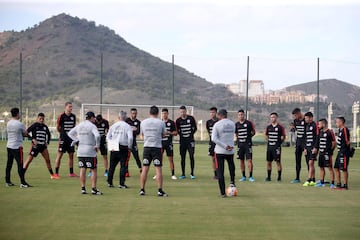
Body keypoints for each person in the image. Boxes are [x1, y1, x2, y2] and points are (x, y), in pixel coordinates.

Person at [68, 111, 102, 195]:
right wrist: (97, 145)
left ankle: (83, 188)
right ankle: (93, 189)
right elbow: (97, 136)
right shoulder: (92, 126)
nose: (95, 119)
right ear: (91, 118)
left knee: (83, 169)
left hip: (80, 149)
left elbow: (70, 133)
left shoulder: (80, 125)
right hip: (90, 149)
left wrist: (76, 140)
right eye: (94, 117)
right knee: (93, 169)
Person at [139, 106, 168, 197]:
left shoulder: (143, 122)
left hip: (147, 147)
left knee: (145, 169)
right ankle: (159, 190)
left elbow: (142, 136)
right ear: (158, 113)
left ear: (149, 112)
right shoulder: (161, 122)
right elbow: (164, 135)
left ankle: (142, 189)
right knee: (158, 169)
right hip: (156, 148)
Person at [23, 113, 58, 179]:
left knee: (48, 160)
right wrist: (32, 139)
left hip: (43, 147)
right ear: (37, 119)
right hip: (35, 146)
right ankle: (22, 174)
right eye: (40, 119)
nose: (41, 120)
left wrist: (47, 142)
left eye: (42, 119)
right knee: (29, 160)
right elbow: (25, 133)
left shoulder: (45, 126)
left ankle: (52, 175)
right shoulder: (34, 125)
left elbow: (49, 134)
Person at [211, 109, 236, 198]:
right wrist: (230, 145)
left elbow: (213, 138)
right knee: (231, 167)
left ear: (219, 115)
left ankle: (222, 193)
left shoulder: (217, 124)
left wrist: (224, 146)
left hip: (220, 151)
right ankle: (232, 183)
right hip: (230, 150)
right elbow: (234, 136)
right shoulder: (232, 124)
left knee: (220, 172)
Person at [106, 111, 133, 188]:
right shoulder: (127, 126)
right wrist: (129, 146)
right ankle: (121, 183)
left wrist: (111, 144)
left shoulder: (113, 125)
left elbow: (108, 137)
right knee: (123, 166)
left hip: (114, 145)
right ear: (126, 118)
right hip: (123, 147)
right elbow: (130, 138)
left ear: (118, 117)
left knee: (112, 166)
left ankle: (109, 182)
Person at [5, 107, 30, 188]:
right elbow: (25, 134)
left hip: (9, 146)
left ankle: (7, 181)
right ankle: (23, 183)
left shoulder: (8, 123)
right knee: (20, 165)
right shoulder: (19, 124)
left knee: (9, 165)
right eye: (19, 113)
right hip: (17, 147)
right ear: (17, 114)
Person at [54, 102, 77, 178]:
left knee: (71, 155)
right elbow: (57, 127)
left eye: (71, 107)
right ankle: (56, 173)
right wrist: (62, 134)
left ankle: (71, 173)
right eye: (69, 106)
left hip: (71, 139)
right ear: (66, 107)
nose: (71, 108)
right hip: (63, 139)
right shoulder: (61, 116)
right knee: (59, 155)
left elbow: (74, 127)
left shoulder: (73, 116)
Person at [153, 108, 178, 180]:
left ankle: (173, 174)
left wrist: (169, 133)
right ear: (161, 114)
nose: (164, 115)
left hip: (168, 143)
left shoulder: (172, 122)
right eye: (163, 113)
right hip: (160, 143)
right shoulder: (159, 122)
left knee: (170, 159)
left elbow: (176, 133)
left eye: (165, 113)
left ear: (168, 114)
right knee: (159, 159)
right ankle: (157, 174)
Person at [176, 105, 197, 179]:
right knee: (183, 157)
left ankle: (192, 173)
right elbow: (178, 130)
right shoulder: (178, 120)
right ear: (180, 112)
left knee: (191, 156)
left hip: (190, 141)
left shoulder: (191, 118)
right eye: (181, 112)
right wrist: (182, 136)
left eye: (183, 111)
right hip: (182, 141)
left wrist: (190, 135)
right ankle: (183, 174)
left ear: (186, 111)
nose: (182, 113)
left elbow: (195, 128)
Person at [235, 109, 256, 182]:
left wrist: (248, 138)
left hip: (248, 145)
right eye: (239, 115)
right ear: (238, 116)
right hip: (240, 145)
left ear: (244, 115)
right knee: (241, 160)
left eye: (242, 114)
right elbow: (236, 134)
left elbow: (253, 132)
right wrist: (237, 140)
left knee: (249, 160)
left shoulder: (249, 123)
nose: (241, 116)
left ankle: (251, 176)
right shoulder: (236, 124)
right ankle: (243, 176)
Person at [314, 118, 336, 188]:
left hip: (327, 154)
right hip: (321, 153)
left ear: (324, 124)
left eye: (319, 124)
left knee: (330, 168)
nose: (318, 126)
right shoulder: (320, 132)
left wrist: (330, 151)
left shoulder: (330, 132)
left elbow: (334, 143)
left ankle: (332, 183)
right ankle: (321, 182)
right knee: (321, 168)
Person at [265, 112, 286, 182]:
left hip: (277, 147)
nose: (272, 118)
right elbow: (266, 135)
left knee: (278, 162)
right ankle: (268, 177)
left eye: (273, 117)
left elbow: (283, 136)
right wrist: (269, 140)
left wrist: (279, 143)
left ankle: (279, 177)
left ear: (276, 118)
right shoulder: (268, 127)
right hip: (269, 147)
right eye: (271, 117)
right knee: (268, 162)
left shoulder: (280, 127)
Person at [334, 116, 351, 190]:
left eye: (337, 122)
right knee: (336, 168)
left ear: (341, 122)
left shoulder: (345, 130)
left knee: (344, 169)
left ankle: (345, 185)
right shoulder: (340, 130)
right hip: (339, 152)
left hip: (343, 153)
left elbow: (347, 141)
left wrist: (346, 150)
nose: (336, 123)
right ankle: (338, 184)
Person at [302, 112, 319, 187]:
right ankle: (313, 180)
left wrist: (315, 147)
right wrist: (305, 148)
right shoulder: (307, 126)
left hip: (313, 148)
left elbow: (318, 137)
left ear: (311, 118)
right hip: (307, 148)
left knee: (310, 163)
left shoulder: (315, 125)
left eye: (306, 118)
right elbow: (305, 138)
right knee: (310, 164)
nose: (305, 119)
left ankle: (308, 179)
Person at [125, 108, 142, 176]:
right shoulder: (127, 121)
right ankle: (126, 172)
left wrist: (130, 130)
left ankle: (141, 169)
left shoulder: (138, 122)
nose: (134, 115)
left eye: (135, 113)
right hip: (126, 141)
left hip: (133, 142)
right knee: (126, 157)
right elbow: (125, 130)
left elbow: (137, 132)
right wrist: (133, 129)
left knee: (136, 156)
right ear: (130, 113)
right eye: (132, 113)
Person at [291, 108, 306, 183]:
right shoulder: (295, 121)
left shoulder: (306, 120)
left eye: (295, 115)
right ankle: (297, 178)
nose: (295, 117)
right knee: (297, 160)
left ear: (299, 113)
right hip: (298, 142)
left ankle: (311, 179)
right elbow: (296, 130)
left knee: (308, 161)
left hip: (306, 143)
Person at [206, 107, 218, 180]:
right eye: (210, 112)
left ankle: (219, 173)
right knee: (213, 158)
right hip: (212, 143)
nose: (212, 114)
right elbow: (209, 131)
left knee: (219, 158)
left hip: (218, 143)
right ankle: (215, 174)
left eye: (213, 112)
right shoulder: (208, 122)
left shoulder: (219, 121)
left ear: (216, 113)